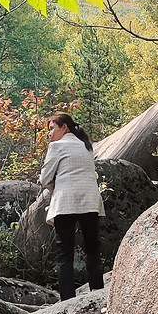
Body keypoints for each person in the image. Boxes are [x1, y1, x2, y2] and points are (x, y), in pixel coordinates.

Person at [39, 112, 105, 301]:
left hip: (66, 202)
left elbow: (44, 179)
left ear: (64, 127)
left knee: (65, 253)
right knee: (92, 248)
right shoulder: (86, 146)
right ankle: (97, 291)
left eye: (52, 128)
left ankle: (67, 299)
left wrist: (53, 182)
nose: (49, 133)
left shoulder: (56, 147)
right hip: (90, 201)